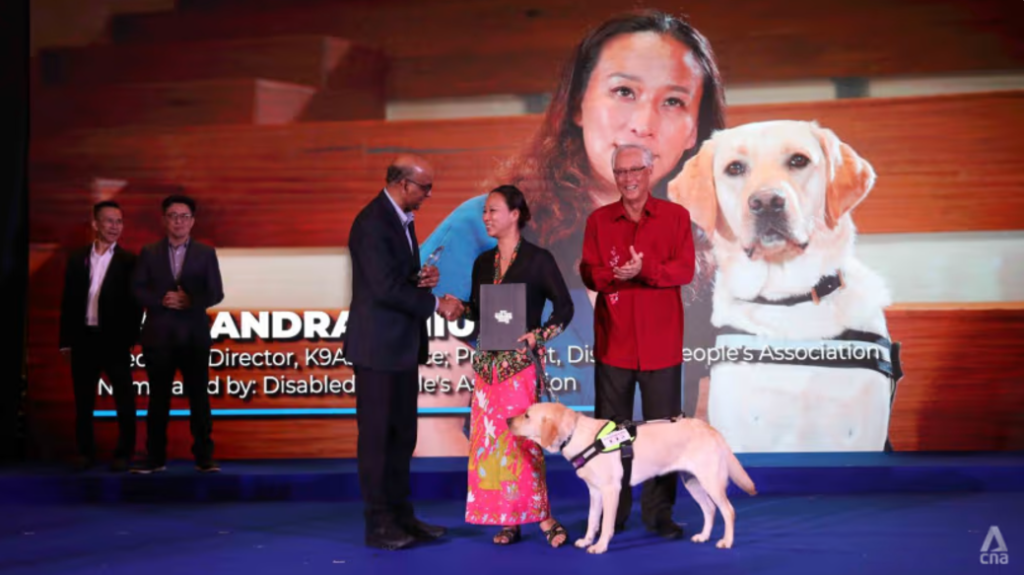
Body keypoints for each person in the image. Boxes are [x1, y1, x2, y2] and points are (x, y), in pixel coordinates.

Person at [416, 9, 725, 454]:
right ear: (577, 104)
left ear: (694, 128)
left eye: (673, 101)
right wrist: (511, 498)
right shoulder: (487, 228)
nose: (644, 123)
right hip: (522, 489)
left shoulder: (707, 247)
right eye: (623, 91)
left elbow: (703, 418)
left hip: (647, 492)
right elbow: (431, 419)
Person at [343, 154, 461, 551]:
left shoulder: (399, 220)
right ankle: (378, 524)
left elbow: (396, 281)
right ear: (403, 184)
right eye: (424, 188)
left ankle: (402, 516)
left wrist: (420, 279)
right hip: (377, 349)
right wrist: (433, 304)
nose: (428, 195)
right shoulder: (372, 223)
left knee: (401, 437)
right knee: (378, 440)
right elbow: (382, 290)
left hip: (400, 348)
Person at [580, 143, 696, 538]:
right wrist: (616, 274)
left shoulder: (676, 217)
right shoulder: (599, 220)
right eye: (621, 172)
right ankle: (615, 510)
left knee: (663, 435)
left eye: (635, 170)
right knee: (612, 432)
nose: (628, 179)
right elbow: (588, 272)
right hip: (615, 345)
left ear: (650, 171)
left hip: (661, 346)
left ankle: (659, 514)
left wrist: (645, 270)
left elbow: (684, 270)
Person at [454, 185, 574, 546]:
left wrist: (540, 335)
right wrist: (459, 310)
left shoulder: (538, 260)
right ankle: (508, 518)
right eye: (485, 212)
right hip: (486, 371)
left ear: (515, 214)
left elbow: (565, 308)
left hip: (519, 369)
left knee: (524, 443)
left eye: (493, 210)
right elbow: (477, 315)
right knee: (491, 446)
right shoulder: (481, 263)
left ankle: (543, 517)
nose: (486, 217)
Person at [130, 194, 224, 474]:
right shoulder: (149, 252)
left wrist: (190, 301)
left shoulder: (206, 253)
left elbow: (216, 292)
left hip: (194, 337)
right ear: (164, 220)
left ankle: (204, 457)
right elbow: (136, 288)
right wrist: (162, 299)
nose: (179, 221)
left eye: (184, 216)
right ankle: (155, 458)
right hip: (158, 338)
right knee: (158, 399)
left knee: (199, 399)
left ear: (193, 221)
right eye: (173, 215)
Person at [58, 200, 143, 472]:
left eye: (119, 222)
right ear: (95, 224)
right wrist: (65, 341)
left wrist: (129, 339)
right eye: (109, 221)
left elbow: (135, 305)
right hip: (84, 340)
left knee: (124, 400)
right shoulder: (77, 258)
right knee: (83, 401)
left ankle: (124, 452)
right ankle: (85, 453)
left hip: (115, 342)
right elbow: (69, 301)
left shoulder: (130, 261)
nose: (115, 227)